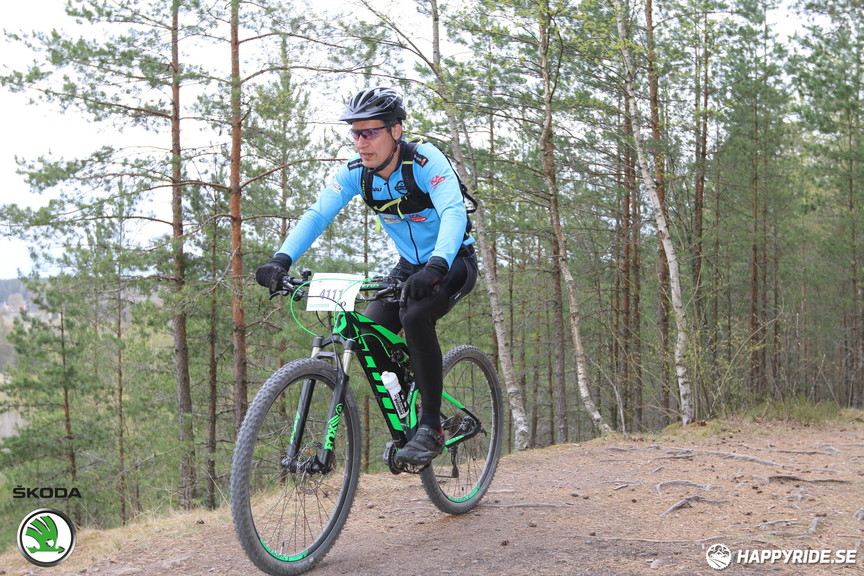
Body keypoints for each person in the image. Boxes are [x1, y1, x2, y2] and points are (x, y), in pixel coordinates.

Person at [255, 86, 478, 466]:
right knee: (368, 332)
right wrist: (281, 259)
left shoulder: (425, 162)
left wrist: (437, 265)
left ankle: (430, 427)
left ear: (396, 131)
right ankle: (409, 400)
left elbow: (453, 213)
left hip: (452, 259)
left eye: (370, 132)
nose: (361, 142)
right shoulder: (356, 174)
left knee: (415, 315)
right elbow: (317, 214)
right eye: (355, 133)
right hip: (409, 266)